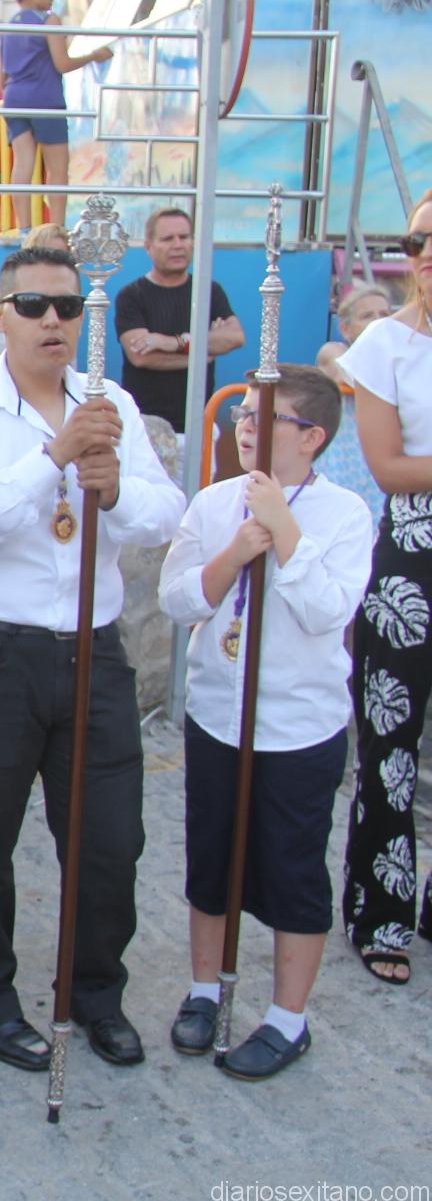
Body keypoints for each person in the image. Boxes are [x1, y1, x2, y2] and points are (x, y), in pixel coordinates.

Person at [0, 245, 184, 1073]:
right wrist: (55, 458)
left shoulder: (113, 403)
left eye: (68, 307)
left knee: (110, 842)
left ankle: (94, 993)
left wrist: (114, 486)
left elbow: (163, 514)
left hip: (91, 653)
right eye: (32, 305)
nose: (51, 321)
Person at [158, 364, 371, 1079]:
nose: (244, 427)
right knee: (211, 855)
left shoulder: (343, 514)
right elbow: (178, 600)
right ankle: (205, 989)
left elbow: (325, 612)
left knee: (291, 867)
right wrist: (235, 552)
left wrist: (284, 530)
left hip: (297, 725)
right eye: (241, 413)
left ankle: (287, 1018)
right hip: (219, 714)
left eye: (263, 416)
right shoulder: (215, 502)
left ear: (311, 438)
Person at [336, 187, 432, 986]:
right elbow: (391, 470)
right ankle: (382, 913)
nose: (425, 254)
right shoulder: (383, 347)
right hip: (411, 562)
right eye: (416, 241)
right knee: (389, 749)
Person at [113, 206, 246, 433]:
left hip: (199, 425)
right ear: (148, 247)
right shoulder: (131, 296)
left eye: (184, 237)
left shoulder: (209, 291)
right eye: (167, 239)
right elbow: (142, 357)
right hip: (145, 427)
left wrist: (174, 342)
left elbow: (235, 337)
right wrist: (204, 354)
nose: (178, 245)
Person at [2, 0, 112, 231]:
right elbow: (61, 63)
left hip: (14, 98)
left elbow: (2, 72)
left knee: (23, 162)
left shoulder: (8, 26)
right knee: (57, 167)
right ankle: (57, 228)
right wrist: (93, 56)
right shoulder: (49, 21)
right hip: (45, 98)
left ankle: (24, 228)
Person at [315, 281, 393, 525]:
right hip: (340, 467)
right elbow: (352, 373)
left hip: (382, 468)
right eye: (367, 316)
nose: (378, 322)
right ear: (345, 328)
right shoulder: (333, 351)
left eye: (384, 315)